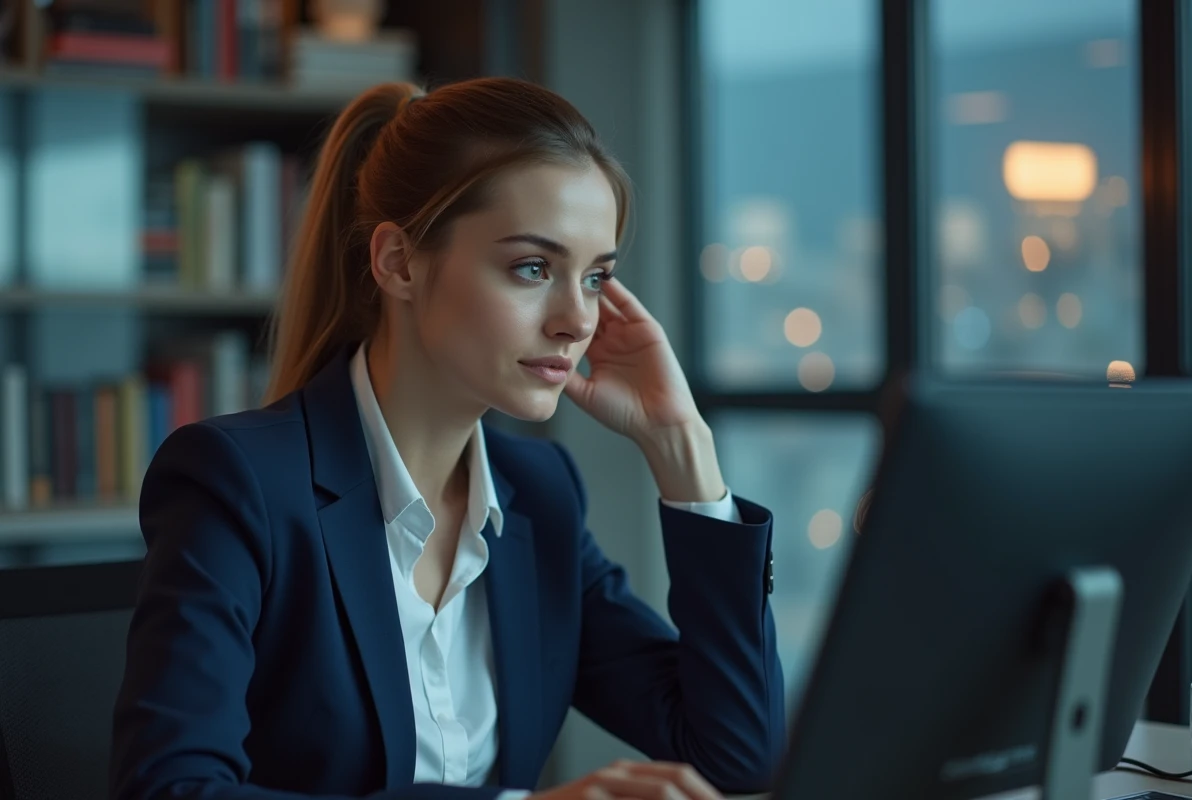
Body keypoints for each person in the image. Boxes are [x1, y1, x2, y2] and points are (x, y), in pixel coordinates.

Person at [109, 76, 786, 800]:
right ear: (398, 262)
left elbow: (736, 751)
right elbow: (169, 789)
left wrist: (684, 451)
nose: (575, 320)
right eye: (533, 268)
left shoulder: (541, 497)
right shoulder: (238, 482)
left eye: (594, 278)